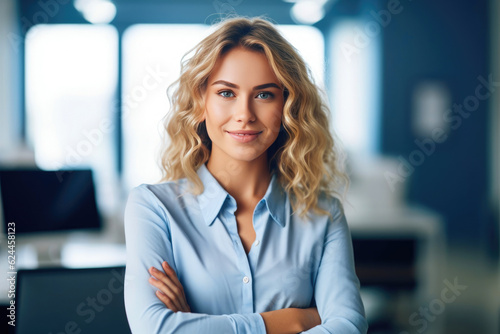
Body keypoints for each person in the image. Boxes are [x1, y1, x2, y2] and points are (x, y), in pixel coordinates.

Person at [124, 16, 368, 334]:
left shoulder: (322, 213)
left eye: (264, 94)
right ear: (201, 103)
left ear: (287, 105)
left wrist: (199, 324)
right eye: (226, 93)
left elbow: (348, 326)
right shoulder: (153, 207)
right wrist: (298, 320)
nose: (245, 115)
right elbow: (154, 329)